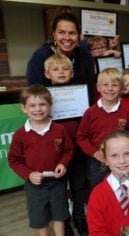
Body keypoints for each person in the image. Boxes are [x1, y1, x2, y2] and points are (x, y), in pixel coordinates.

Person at [8, 85, 74, 236]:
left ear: (50, 105)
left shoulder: (60, 129)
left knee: (60, 214)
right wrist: (28, 175)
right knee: (40, 218)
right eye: (32, 105)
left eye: (42, 104)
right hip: (35, 186)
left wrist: (63, 163)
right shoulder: (20, 135)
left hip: (58, 182)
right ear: (23, 108)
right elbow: (14, 160)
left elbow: (68, 150)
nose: (38, 109)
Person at [44, 54, 89, 234]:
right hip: (55, 153)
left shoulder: (80, 93)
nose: (61, 72)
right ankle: (64, 222)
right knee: (59, 189)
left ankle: (80, 218)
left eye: (65, 69)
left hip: (77, 149)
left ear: (72, 73)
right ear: (47, 74)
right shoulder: (44, 96)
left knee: (79, 186)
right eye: (55, 69)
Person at [77, 68, 129, 188]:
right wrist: (95, 153)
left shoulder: (127, 112)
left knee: (124, 189)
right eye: (105, 85)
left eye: (114, 85)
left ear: (121, 88)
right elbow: (81, 137)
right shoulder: (90, 112)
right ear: (98, 87)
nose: (110, 89)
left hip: (122, 161)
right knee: (100, 189)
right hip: (98, 162)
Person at [26, 13, 95, 103]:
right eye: (61, 32)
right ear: (54, 35)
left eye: (72, 33)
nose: (67, 38)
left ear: (78, 36)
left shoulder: (86, 57)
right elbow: (33, 91)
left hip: (80, 112)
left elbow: (89, 91)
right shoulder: (40, 56)